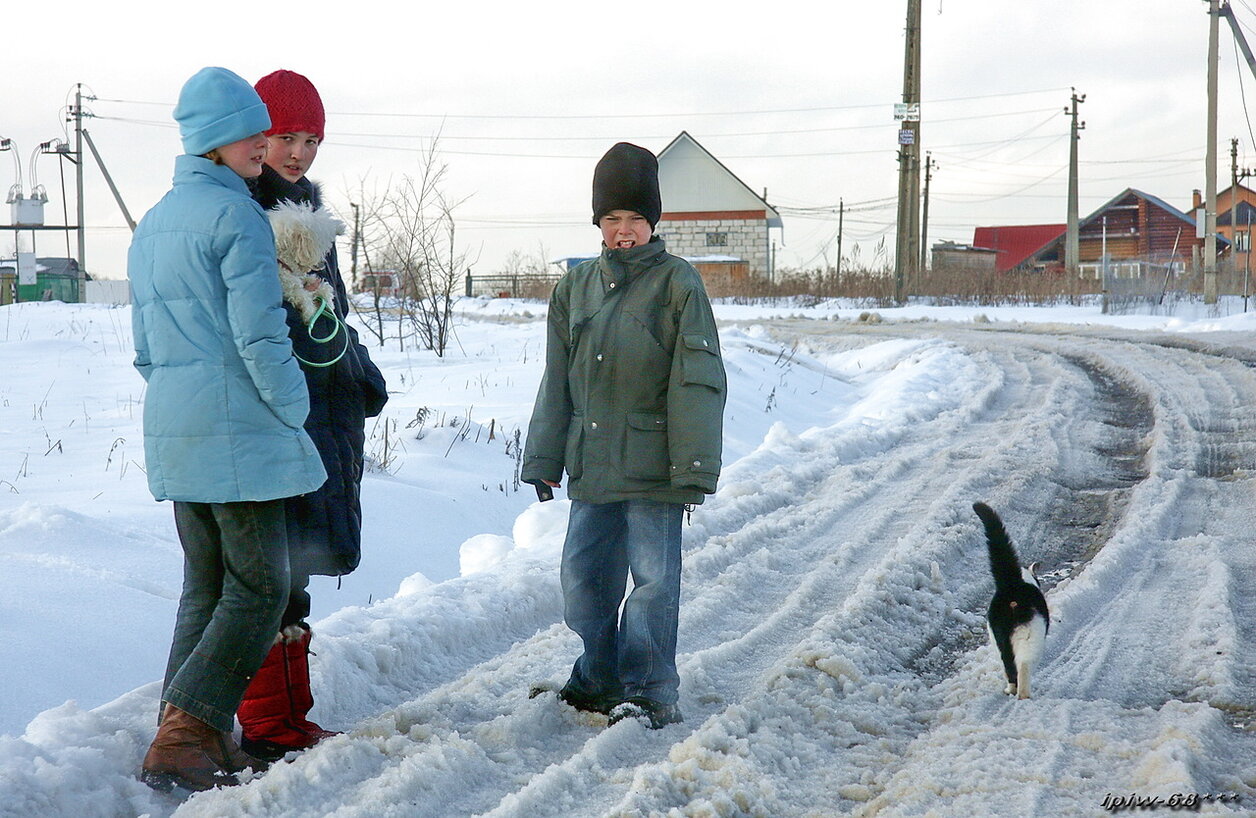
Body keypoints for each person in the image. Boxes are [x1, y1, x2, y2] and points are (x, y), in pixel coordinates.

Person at [129, 66, 328, 791]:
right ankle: (184, 737)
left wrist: (190, 402)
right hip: (241, 435)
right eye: (252, 131)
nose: (262, 143)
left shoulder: (154, 220)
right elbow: (261, 337)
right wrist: (291, 408)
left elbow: (147, 349)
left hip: (178, 430)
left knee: (204, 587)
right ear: (218, 141)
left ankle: (191, 735)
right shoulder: (236, 216)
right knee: (259, 589)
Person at [521, 142, 727, 729]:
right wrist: (543, 456)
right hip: (592, 462)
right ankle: (598, 673)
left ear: (653, 221)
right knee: (583, 583)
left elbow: (699, 380)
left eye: (635, 218)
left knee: (653, 585)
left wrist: (692, 466)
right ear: (598, 223)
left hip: (656, 465)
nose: (624, 230)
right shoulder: (575, 288)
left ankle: (650, 687)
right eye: (612, 219)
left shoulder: (678, 284)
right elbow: (556, 378)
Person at [235, 69, 388, 762]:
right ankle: (267, 725)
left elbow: (329, 318)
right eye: (285, 136)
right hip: (277, 414)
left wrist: (358, 373)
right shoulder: (247, 211)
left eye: (310, 139)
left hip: (320, 415)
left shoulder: (310, 214)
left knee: (294, 571)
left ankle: (291, 717)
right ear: (256, 133)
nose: (297, 152)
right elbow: (267, 325)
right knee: (271, 572)